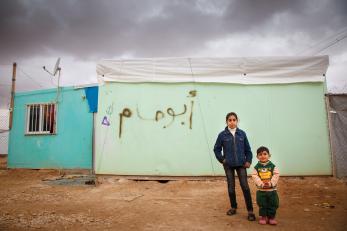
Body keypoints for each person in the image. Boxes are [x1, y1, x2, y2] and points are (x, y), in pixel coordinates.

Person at [214, 112, 256, 221]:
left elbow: (248, 150)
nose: (232, 122)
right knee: (231, 188)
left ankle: (250, 211)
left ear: (237, 121)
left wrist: (248, 160)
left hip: (241, 164)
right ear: (226, 121)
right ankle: (233, 207)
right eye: (230, 120)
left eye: (234, 120)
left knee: (245, 187)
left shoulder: (242, 134)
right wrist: (222, 160)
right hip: (228, 165)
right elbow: (216, 149)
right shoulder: (222, 135)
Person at [252, 146, 280, 225]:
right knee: (262, 204)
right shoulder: (256, 167)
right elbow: (254, 176)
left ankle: (271, 217)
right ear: (257, 157)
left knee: (273, 203)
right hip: (261, 190)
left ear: (269, 155)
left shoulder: (272, 166)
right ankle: (263, 217)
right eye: (260, 154)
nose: (263, 156)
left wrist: (271, 183)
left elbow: (276, 175)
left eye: (265, 154)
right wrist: (260, 184)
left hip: (272, 190)